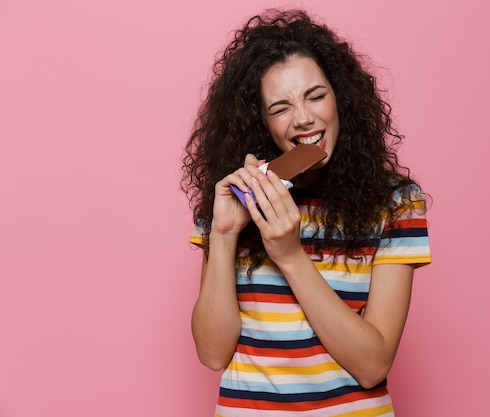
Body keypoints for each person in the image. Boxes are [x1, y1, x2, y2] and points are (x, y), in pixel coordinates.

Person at [181, 8, 431, 416]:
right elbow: (212, 353)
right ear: (261, 122)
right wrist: (224, 235)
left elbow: (373, 365)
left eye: (316, 96)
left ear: (341, 99)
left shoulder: (395, 203)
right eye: (280, 108)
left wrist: (289, 255)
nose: (303, 119)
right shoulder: (234, 199)